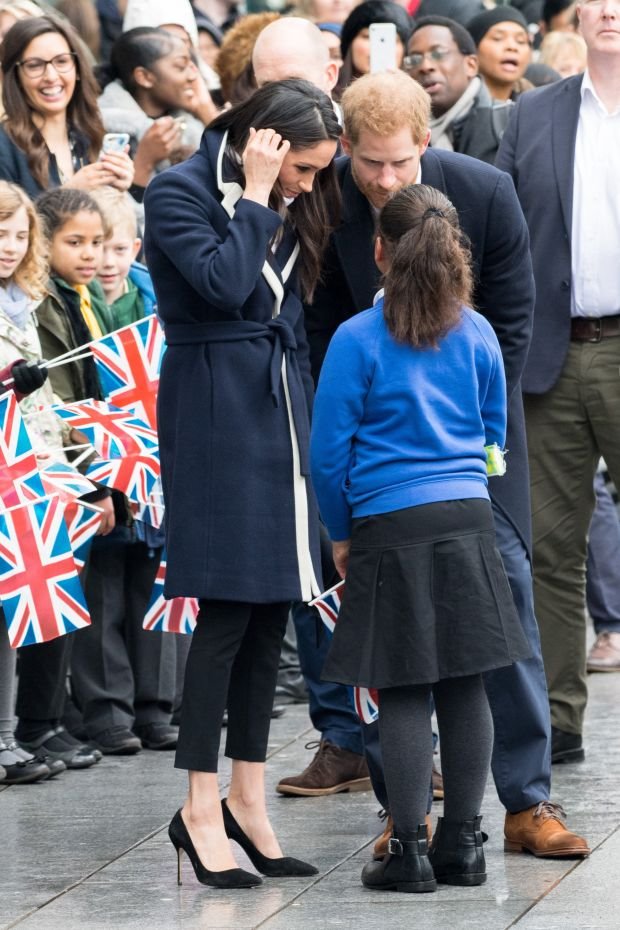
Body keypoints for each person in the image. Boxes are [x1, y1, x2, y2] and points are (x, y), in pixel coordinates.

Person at [305, 69, 589, 858]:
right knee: (395, 651)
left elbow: (515, 318)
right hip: (378, 464)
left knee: (509, 616)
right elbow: (322, 326)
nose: (383, 178)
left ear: (426, 143)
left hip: (475, 462)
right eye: (367, 163)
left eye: (397, 162)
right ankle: (409, 816)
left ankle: (528, 801)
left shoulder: (485, 192)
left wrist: (472, 442)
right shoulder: (327, 199)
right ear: (347, 152)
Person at [144, 79, 341, 887]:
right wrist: (260, 196)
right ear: (263, 142)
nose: (308, 185)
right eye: (301, 167)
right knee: (227, 608)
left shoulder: (298, 194)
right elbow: (224, 285)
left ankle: (249, 797)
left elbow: (293, 312)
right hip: (215, 401)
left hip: (279, 400)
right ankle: (198, 804)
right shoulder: (176, 190)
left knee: (271, 610)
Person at [312, 183, 530, 892]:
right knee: (467, 682)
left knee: (403, 685)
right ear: (455, 253)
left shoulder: (355, 338)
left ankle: (407, 849)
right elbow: (494, 432)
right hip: (467, 519)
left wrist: (340, 535)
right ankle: (464, 845)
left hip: (386, 522)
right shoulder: (476, 331)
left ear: (379, 252)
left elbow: (327, 454)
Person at [495, 0, 620, 765]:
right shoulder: (533, 114)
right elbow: (501, 238)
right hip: (552, 353)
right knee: (548, 547)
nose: (610, 9)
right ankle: (558, 720)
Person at [61, 186, 176, 755]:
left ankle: (155, 705)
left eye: (115, 247)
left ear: (136, 248)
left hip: (150, 457)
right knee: (102, 586)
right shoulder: (75, 308)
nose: (104, 261)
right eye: (91, 246)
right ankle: (108, 709)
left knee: (150, 583)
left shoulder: (152, 298)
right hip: (98, 458)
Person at [14, 187, 114, 770]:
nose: (89, 254)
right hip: (43, 464)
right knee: (42, 591)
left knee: (62, 593)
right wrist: (91, 474)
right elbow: (60, 394)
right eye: (73, 242)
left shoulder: (77, 298)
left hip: (66, 461)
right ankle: (32, 722)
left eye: (96, 243)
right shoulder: (41, 301)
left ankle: (45, 721)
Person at [0, 179, 61, 785]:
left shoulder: (23, 302)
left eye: (20, 234)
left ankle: (8, 736)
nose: (10, 246)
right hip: (2, 471)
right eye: (0, 231)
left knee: (13, 611)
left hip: (27, 472)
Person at [0, 15, 134, 200]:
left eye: (61, 61)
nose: (51, 76)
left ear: (77, 69)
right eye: (35, 66)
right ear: (16, 77)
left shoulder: (89, 135)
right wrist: (68, 195)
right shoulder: (4, 146)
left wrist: (120, 189)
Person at [97, 27, 206, 192]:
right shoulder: (103, 131)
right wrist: (145, 161)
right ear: (145, 77)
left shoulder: (191, 126)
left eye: (192, 65)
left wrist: (207, 110)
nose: (193, 76)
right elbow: (111, 209)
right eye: (181, 66)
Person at [404, 15, 513, 164]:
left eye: (438, 54)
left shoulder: (510, 123)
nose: (425, 66)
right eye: (415, 59)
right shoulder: (404, 132)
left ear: (471, 65)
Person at [252, 16, 340, 96]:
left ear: (329, 76)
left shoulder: (352, 113)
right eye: (268, 88)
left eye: (294, 83)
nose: (280, 97)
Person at [338, 0, 411, 88]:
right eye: (367, 36)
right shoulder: (329, 94)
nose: (379, 48)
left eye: (392, 39)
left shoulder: (418, 98)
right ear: (350, 43)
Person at [467, 7, 532, 102]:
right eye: (498, 38)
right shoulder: (450, 104)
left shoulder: (538, 106)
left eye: (520, 41)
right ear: (474, 49)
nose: (512, 47)